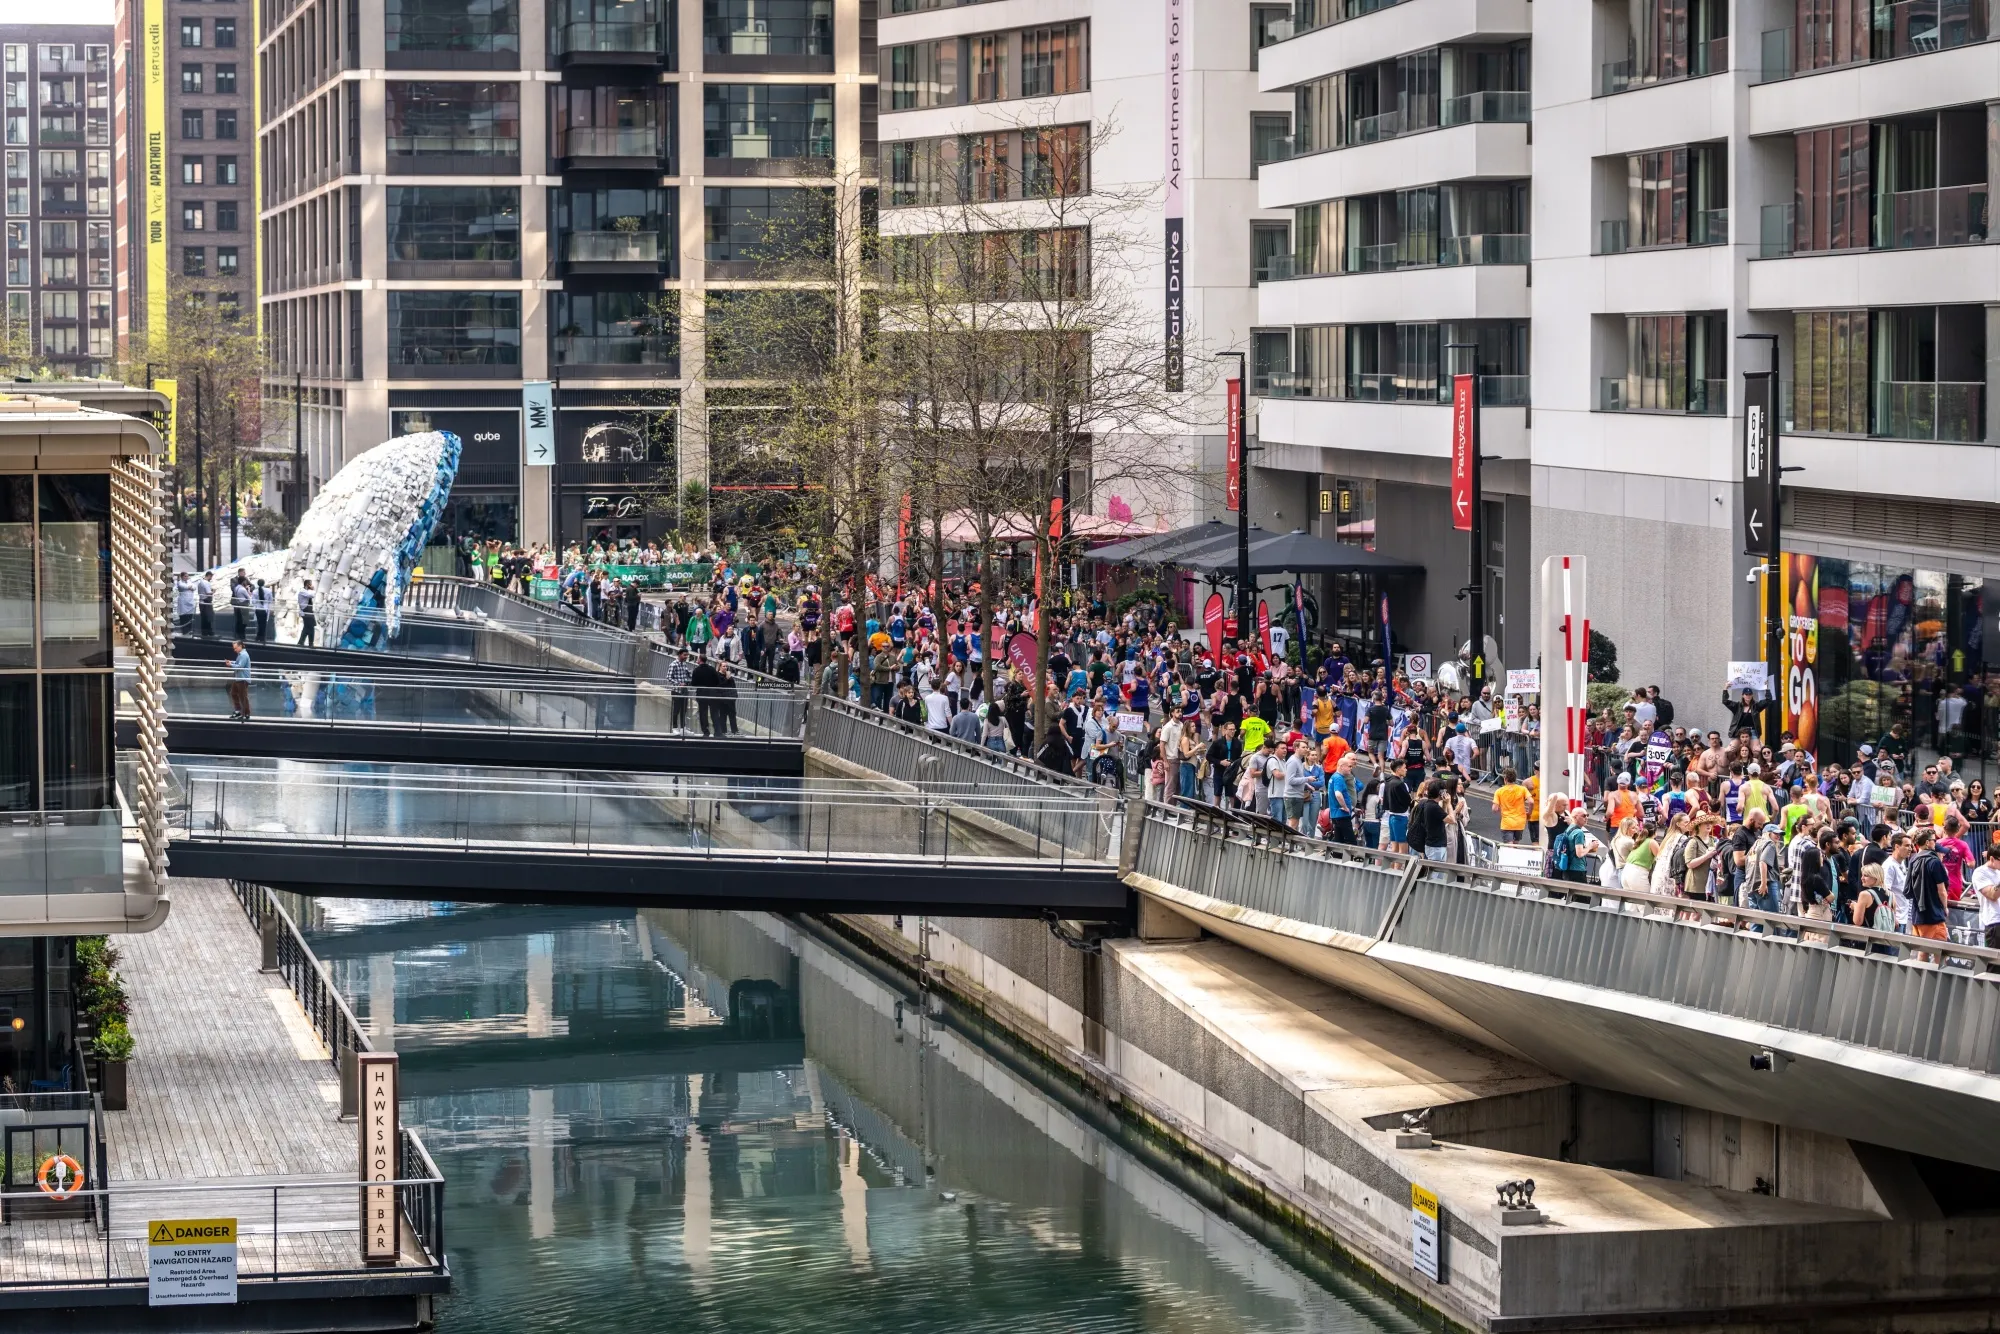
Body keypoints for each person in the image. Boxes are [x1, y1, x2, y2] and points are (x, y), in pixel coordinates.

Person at [1972, 843, 2000, 950]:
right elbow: (1992, 895)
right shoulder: (1980, 872)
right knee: (1994, 964)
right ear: (1992, 859)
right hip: (1994, 922)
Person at [1492, 768, 1530, 844]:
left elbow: (1494, 809)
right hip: (1520, 822)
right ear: (1515, 778)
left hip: (1507, 823)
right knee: (1516, 844)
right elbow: (1531, 801)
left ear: (1505, 778)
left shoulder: (1499, 791)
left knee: (1509, 846)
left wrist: (1500, 807)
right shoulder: (1522, 789)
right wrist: (1529, 812)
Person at [227, 640, 253, 721]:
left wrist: (231, 665)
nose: (234, 650)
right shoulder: (241, 654)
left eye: (235, 648)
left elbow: (240, 666)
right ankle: (238, 710)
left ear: (240, 646)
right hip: (239, 678)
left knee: (242, 696)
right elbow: (238, 663)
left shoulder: (243, 655)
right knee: (233, 693)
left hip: (243, 679)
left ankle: (246, 713)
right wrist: (231, 662)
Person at [297, 579, 317, 646]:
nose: (311, 586)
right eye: (310, 584)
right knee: (310, 627)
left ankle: (301, 642)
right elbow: (311, 595)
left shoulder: (306, 591)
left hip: (308, 610)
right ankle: (310, 644)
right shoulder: (303, 591)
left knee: (307, 627)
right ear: (307, 585)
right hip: (306, 611)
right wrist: (313, 589)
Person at [196, 569, 215, 638]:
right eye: (211, 577)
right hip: (206, 602)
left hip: (201, 602)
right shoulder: (206, 583)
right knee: (208, 618)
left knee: (203, 618)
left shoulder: (200, 582)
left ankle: (204, 632)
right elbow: (208, 592)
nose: (211, 579)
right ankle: (208, 631)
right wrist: (213, 591)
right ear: (209, 576)